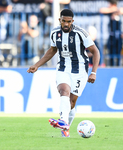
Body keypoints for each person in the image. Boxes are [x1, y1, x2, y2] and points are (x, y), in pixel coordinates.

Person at [27, 9, 100, 137]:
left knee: (71, 103)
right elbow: (52, 50)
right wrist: (37, 65)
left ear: (72, 21)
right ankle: (63, 122)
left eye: (68, 22)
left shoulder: (81, 33)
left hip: (80, 70)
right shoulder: (55, 33)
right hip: (63, 68)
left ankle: (65, 128)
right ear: (59, 20)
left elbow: (95, 51)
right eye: (63, 21)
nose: (66, 24)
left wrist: (94, 72)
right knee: (64, 91)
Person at [99, 0, 123, 66]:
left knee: (118, 53)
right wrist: (113, 11)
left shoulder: (118, 10)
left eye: (109, 4)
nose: (108, 6)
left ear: (112, 4)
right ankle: (111, 65)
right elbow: (101, 10)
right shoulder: (111, 11)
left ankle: (118, 66)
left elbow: (122, 10)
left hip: (118, 36)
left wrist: (116, 12)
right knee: (111, 52)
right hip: (111, 36)